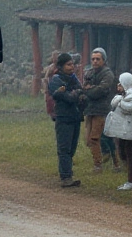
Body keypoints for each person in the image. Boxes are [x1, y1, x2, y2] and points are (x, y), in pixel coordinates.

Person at [48, 52, 84, 188]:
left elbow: (80, 92)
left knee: (72, 148)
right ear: (61, 66)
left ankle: (68, 173)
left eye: (72, 64)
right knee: (64, 148)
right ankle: (66, 177)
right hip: (64, 118)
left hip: (75, 117)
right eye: (68, 65)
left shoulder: (73, 78)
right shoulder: (56, 80)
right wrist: (75, 93)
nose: (72, 67)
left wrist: (72, 93)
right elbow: (69, 97)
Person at [104, 72, 132, 191]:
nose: (118, 86)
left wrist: (120, 101)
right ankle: (129, 178)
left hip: (131, 130)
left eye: (120, 84)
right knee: (123, 152)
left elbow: (130, 108)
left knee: (131, 154)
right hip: (124, 130)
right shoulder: (123, 95)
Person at [82, 48, 117, 172]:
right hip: (90, 109)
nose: (95, 61)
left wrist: (89, 90)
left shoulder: (108, 74)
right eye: (93, 59)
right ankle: (101, 161)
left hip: (102, 110)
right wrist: (89, 89)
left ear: (104, 60)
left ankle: (101, 165)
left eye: (98, 59)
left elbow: (101, 90)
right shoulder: (89, 72)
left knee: (96, 137)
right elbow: (84, 88)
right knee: (88, 139)